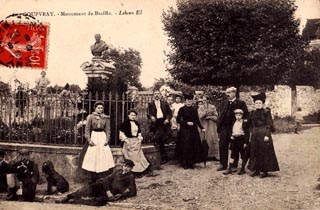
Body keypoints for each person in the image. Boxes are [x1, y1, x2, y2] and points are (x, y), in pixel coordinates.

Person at [57, 159, 137, 206]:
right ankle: (67, 197)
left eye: (128, 167)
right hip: (105, 188)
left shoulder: (130, 177)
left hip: (111, 193)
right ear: (122, 165)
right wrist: (108, 190)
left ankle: (75, 201)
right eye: (125, 166)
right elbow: (107, 179)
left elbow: (133, 192)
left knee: (99, 202)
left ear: (131, 168)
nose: (126, 168)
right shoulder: (118, 171)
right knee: (88, 188)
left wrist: (121, 195)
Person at [79, 101, 115, 183]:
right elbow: (87, 129)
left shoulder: (106, 118)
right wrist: (89, 140)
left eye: (101, 108)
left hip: (102, 136)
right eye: (98, 108)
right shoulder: (90, 117)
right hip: (94, 136)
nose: (100, 109)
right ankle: (93, 177)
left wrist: (107, 139)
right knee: (93, 156)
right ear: (95, 108)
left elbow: (108, 129)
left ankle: (102, 177)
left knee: (102, 155)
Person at [217, 87, 248, 171]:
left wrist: (242, 125)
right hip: (224, 127)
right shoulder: (225, 102)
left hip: (234, 128)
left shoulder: (241, 103)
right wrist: (219, 125)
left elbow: (246, 115)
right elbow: (222, 114)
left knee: (235, 146)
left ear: (234, 93)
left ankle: (234, 165)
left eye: (229, 92)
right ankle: (223, 164)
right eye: (227, 92)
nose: (227, 94)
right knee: (222, 145)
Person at [249, 92, 280, 178]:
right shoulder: (252, 113)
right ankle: (256, 169)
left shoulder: (266, 112)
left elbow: (269, 124)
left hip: (264, 133)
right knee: (255, 151)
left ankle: (264, 170)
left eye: (259, 103)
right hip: (255, 134)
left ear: (262, 104)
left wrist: (267, 135)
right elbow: (250, 124)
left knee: (264, 152)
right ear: (254, 104)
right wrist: (251, 132)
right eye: (256, 103)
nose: (258, 104)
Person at [176, 93, 205, 169]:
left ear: (192, 101)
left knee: (193, 145)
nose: (189, 102)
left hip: (193, 130)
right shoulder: (181, 109)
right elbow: (178, 119)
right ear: (185, 101)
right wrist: (186, 123)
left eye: (190, 100)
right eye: (187, 100)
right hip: (184, 130)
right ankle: (184, 163)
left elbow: (197, 120)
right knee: (185, 146)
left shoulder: (194, 109)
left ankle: (191, 163)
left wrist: (202, 127)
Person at [119, 109, 150, 177]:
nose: (133, 116)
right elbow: (121, 133)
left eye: (134, 115)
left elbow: (139, 133)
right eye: (131, 115)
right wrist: (126, 140)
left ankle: (139, 171)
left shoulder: (136, 123)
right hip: (128, 141)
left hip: (136, 141)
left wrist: (139, 139)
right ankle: (132, 172)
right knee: (130, 157)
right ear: (128, 115)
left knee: (138, 157)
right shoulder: (125, 123)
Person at [147, 89, 172, 164]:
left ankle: (154, 138)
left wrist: (167, 119)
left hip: (164, 122)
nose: (157, 95)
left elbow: (170, 112)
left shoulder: (165, 103)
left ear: (160, 95)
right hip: (156, 123)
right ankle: (165, 158)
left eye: (158, 94)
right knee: (161, 139)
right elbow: (148, 113)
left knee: (161, 138)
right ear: (153, 95)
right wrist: (151, 117)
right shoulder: (150, 104)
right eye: (155, 94)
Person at [223, 109, 250, 175]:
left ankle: (242, 168)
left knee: (243, 155)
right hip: (234, 140)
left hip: (241, 139)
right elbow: (230, 130)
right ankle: (230, 168)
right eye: (236, 115)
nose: (238, 117)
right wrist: (231, 136)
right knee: (232, 154)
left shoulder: (244, 122)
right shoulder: (233, 122)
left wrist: (245, 142)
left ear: (242, 116)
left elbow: (247, 133)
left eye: (239, 115)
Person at [197, 95, 219, 161]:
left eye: (206, 100)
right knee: (204, 138)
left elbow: (216, 116)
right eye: (203, 100)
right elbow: (199, 116)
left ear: (208, 100)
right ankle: (203, 155)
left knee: (212, 139)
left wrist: (210, 117)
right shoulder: (200, 107)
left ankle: (213, 155)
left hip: (211, 125)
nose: (204, 101)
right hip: (203, 125)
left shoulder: (212, 107)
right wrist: (205, 113)